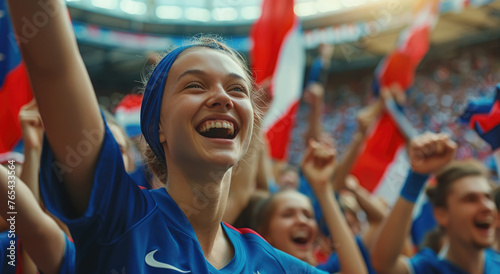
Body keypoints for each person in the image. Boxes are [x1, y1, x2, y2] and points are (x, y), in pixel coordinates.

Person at [7, 1, 328, 273]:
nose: (223, 98)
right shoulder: (118, 216)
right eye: (195, 85)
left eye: (236, 89)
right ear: (157, 125)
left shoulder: (279, 265)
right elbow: (53, 65)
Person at [372, 132, 500, 273]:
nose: (487, 207)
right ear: (441, 214)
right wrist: (416, 177)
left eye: (488, 197)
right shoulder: (428, 269)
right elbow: (384, 265)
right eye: (470, 199)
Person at [253, 140, 368, 273]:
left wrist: (323, 188)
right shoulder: (249, 266)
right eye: (288, 214)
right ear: (265, 233)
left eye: (308, 215)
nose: (302, 221)